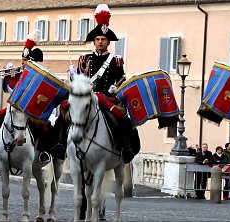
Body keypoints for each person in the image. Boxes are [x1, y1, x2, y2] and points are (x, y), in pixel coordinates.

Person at [70, 4, 141, 220]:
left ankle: (124, 148)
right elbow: (80, 79)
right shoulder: (84, 59)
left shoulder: (115, 60)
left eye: (103, 40)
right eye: (97, 40)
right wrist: (74, 76)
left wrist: (115, 87)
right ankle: (58, 145)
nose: (100, 42)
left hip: (107, 99)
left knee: (120, 118)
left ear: (108, 42)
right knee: (66, 112)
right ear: (94, 42)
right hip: (88, 98)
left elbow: (121, 78)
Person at [0, 29, 54, 164]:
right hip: (15, 107)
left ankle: (44, 151)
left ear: (31, 62)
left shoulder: (39, 76)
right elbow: (9, 91)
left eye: (25, 61)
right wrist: (8, 79)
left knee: (44, 126)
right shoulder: (19, 75)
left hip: (31, 109)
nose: (22, 63)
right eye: (22, 60)